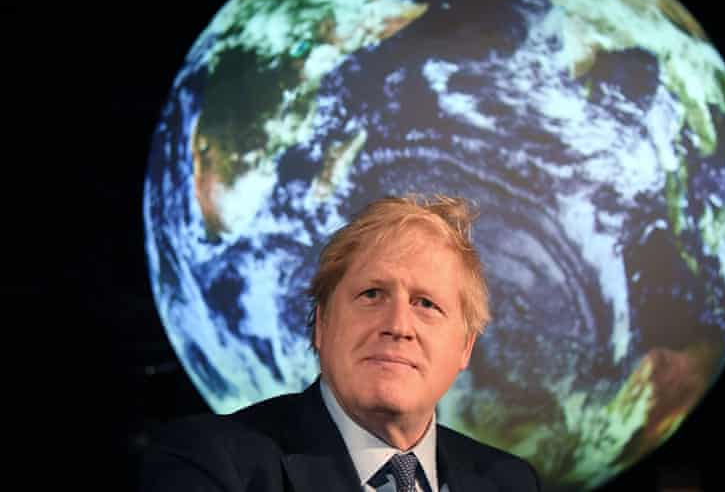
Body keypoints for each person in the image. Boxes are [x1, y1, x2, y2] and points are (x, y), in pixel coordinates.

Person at [138, 194, 541, 491]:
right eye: (371, 295)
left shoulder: (511, 482)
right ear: (321, 324)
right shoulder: (210, 464)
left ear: (465, 348)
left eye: (426, 304)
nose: (399, 325)